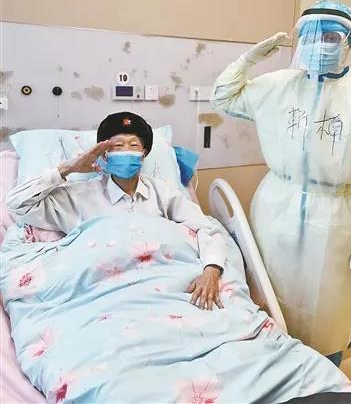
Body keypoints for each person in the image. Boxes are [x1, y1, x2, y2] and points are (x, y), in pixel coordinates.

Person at [210, 0, 351, 365]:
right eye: (311, 36)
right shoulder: (276, 85)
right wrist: (248, 60)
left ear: (348, 41)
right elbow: (223, 96)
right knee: (270, 293)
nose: (319, 44)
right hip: (275, 206)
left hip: (337, 216)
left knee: (328, 306)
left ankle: (325, 373)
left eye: (330, 37)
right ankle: (272, 367)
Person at [7, 112, 226, 311]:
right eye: (117, 145)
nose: (126, 151)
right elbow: (17, 205)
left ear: (144, 153)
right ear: (104, 155)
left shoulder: (162, 192)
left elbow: (205, 227)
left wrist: (212, 269)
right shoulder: (79, 195)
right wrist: (69, 168)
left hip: (161, 285)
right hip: (101, 293)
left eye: (134, 145)